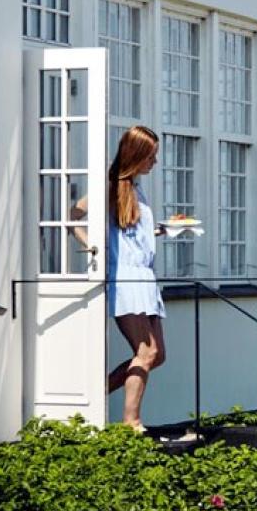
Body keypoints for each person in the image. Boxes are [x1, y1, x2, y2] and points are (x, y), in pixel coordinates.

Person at [101, 126, 175, 432]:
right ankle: (131, 421)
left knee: (157, 355)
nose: (154, 163)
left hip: (144, 279)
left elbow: (131, 233)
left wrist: (159, 231)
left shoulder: (134, 189)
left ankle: (96, 393)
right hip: (128, 280)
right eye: (151, 156)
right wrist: (91, 246)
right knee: (146, 352)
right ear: (137, 155)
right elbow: (75, 214)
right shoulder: (112, 188)